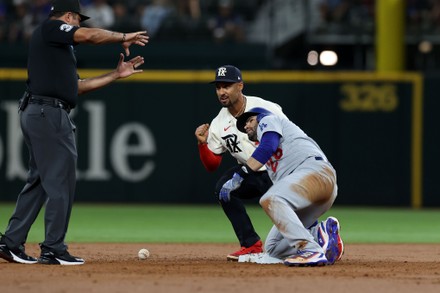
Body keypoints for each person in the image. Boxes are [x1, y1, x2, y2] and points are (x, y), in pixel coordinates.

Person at [0, 0, 149, 266]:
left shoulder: (56, 47)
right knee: (60, 181)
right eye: (79, 19)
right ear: (68, 16)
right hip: (47, 113)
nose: (80, 25)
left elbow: (77, 87)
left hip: (40, 111)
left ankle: (10, 242)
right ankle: (54, 248)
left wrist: (115, 75)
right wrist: (124, 36)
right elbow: (90, 36)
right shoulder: (52, 28)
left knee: (39, 181)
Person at [220, 107, 344, 266]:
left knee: (271, 198)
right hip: (314, 187)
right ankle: (321, 235)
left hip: (315, 172)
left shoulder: (269, 120)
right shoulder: (274, 160)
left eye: (249, 120)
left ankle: (311, 250)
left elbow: (268, 145)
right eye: (244, 125)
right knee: (274, 249)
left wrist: (242, 174)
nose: (246, 126)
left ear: (260, 117)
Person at [194, 65, 288, 261]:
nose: (222, 92)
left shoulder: (265, 107)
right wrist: (202, 144)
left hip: (280, 170)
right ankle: (251, 244)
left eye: (227, 86)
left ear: (240, 86)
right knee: (224, 190)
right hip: (252, 174)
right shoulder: (219, 122)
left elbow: (287, 137)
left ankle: (321, 234)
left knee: (292, 217)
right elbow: (212, 165)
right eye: (218, 87)